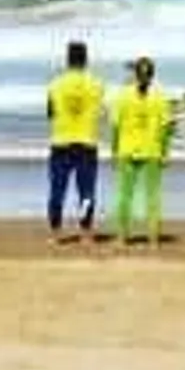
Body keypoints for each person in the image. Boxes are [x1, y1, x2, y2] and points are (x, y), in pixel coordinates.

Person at [107, 55, 175, 246]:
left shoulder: (122, 96)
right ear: (152, 75)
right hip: (152, 150)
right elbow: (166, 129)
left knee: (124, 195)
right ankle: (153, 239)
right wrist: (165, 153)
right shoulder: (161, 97)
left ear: (135, 74)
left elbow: (115, 126)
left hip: (126, 149)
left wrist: (113, 150)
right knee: (152, 196)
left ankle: (122, 238)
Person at [44, 40, 105, 243]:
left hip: (61, 142)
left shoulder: (55, 84)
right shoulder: (97, 84)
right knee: (86, 192)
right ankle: (86, 232)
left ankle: (56, 233)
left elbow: (50, 113)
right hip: (87, 142)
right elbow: (99, 112)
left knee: (57, 191)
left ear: (67, 59)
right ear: (86, 60)